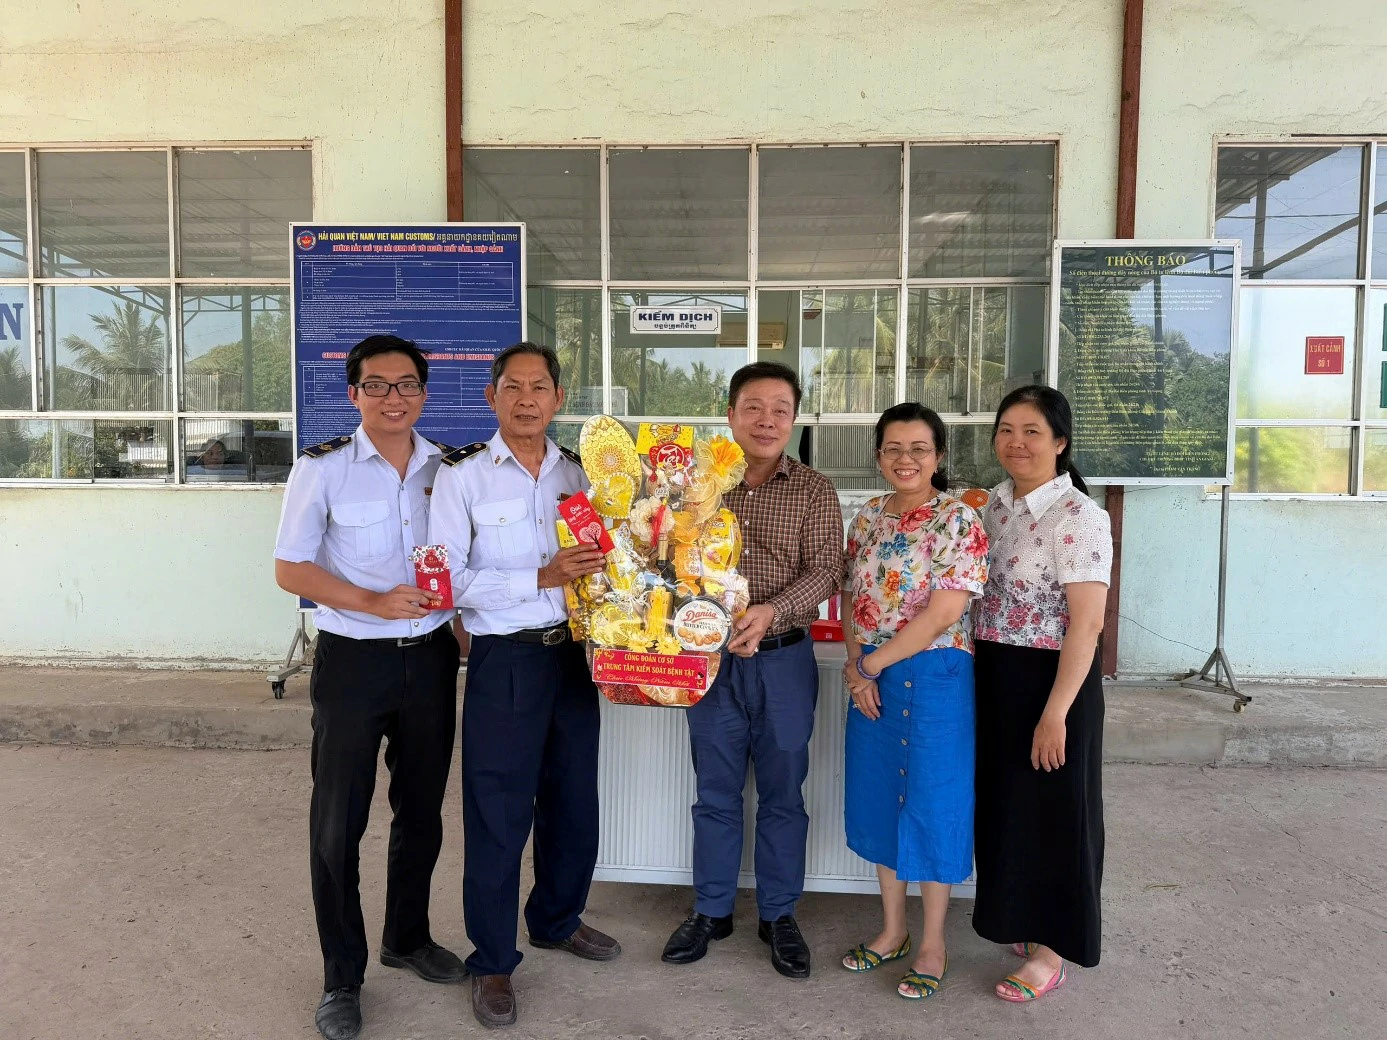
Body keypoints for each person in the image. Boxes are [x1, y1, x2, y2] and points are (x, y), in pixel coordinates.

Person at [273, 334, 464, 1040]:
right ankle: (341, 977)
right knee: (338, 822)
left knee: (422, 812)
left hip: (432, 659)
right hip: (353, 662)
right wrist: (371, 601)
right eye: (377, 385)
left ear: (424, 393)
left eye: (407, 384)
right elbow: (291, 569)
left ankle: (406, 938)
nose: (393, 397)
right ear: (353, 394)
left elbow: (459, 562)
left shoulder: (448, 468)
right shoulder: (321, 468)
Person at [428, 341, 620, 1029]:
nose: (526, 399)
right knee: (498, 812)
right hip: (505, 660)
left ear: (558, 399)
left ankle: (557, 919)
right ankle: (491, 960)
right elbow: (441, 579)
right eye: (513, 386)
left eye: (539, 387)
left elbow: (609, 565)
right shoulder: (462, 477)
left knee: (573, 802)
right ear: (492, 396)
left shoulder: (580, 473)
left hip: (572, 658)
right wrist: (540, 576)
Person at [662, 361, 844, 980]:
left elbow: (828, 570)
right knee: (714, 791)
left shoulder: (813, 489)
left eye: (780, 410)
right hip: (708, 660)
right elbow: (663, 557)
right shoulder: (696, 485)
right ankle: (711, 910)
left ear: (793, 419)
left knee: (783, 793)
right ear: (731, 414)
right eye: (753, 408)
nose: (767, 421)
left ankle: (779, 914)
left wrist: (772, 611)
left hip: (784, 660)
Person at [839, 403, 988, 1000]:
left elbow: (945, 612)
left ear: (939, 455)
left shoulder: (959, 518)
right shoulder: (867, 517)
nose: (906, 459)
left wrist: (870, 665)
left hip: (935, 676)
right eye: (893, 448)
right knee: (880, 798)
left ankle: (932, 942)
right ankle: (892, 930)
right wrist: (857, 665)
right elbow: (851, 597)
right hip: (871, 676)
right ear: (879, 455)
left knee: (933, 801)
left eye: (919, 448)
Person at [971, 384, 1112, 1002]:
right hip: (995, 675)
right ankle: (1022, 919)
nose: (1017, 442)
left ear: (1060, 442)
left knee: (1058, 812)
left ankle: (1054, 948)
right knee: (1009, 807)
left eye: (1032, 431)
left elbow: (1088, 623)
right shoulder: (993, 505)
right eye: (1007, 430)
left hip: (1054, 681)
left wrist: (1056, 713)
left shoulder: (1080, 517)